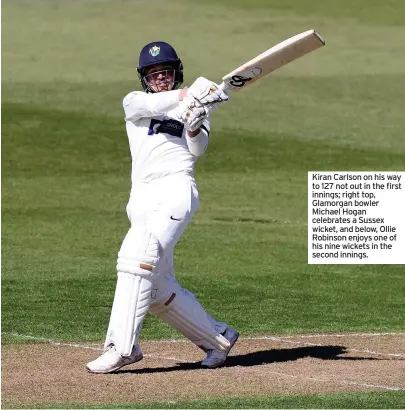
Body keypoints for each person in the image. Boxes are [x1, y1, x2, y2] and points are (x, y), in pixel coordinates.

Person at [86, 41, 239, 374]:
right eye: (153, 75)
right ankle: (218, 338)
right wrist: (186, 97)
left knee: (137, 255)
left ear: (176, 73)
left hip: (176, 191)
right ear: (145, 78)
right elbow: (144, 104)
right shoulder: (136, 101)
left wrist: (196, 122)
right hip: (140, 198)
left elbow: (198, 149)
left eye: (165, 73)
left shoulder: (197, 107)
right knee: (153, 286)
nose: (160, 79)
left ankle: (121, 347)